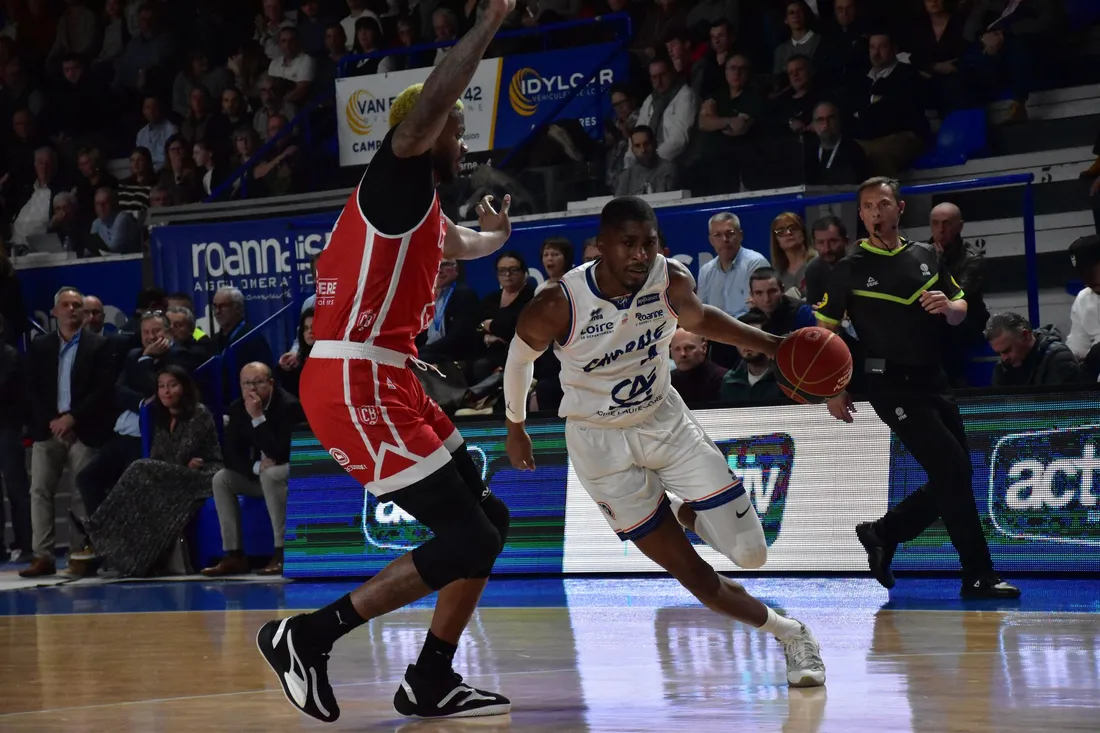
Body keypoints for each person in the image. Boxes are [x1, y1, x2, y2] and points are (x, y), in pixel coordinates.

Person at [255, 0, 519, 722]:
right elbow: (434, 101)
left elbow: (463, 242)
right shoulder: (398, 175)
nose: (461, 145)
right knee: (466, 533)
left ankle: (432, 678)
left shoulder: (423, 210)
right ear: (426, 131)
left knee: (487, 517)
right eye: (456, 132)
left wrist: (495, 235)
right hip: (351, 381)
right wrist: (490, 23)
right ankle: (306, 634)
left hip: (387, 377)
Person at [503, 196, 827, 689]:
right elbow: (519, 360)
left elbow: (699, 318)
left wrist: (776, 346)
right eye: (627, 244)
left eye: (648, 243)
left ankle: (681, 510)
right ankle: (791, 633)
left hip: (664, 423)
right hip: (598, 445)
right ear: (602, 246)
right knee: (691, 573)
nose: (639, 254)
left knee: (751, 556)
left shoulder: (669, 277)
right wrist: (515, 424)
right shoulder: (557, 303)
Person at [815, 177, 1020, 599]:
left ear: (899, 208)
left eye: (883, 204)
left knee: (956, 475)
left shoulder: (926, 254)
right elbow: (826, 335)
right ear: (861, 214)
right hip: (889, 382)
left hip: (934, 377)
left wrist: (949, 307)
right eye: (867, 206)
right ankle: (975, 571)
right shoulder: (848, 269)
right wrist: (833, 388)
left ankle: (886, 533)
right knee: (952, 470)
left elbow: (962, 310)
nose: (875, 212)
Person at [82, 365, 223, 577]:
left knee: (140, 468)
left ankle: (97, 526)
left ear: (184, 387)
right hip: (179, 472)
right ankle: (128, 556)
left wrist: (180, 463)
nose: (166, 391)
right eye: (161, 386)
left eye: (172, 385)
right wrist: (180, 463)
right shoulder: (163, 417)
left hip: (204, 475)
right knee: (142, 485)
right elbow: (159, 456)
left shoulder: (199, 413)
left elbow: (181, 451)